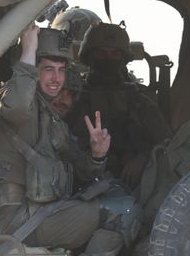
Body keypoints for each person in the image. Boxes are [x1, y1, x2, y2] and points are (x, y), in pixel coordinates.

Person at [0, 25, 136, 256]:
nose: (56, 79)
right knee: (122, 212)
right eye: (47, 69)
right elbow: (18, 104)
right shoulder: (9, 100)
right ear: (28, 69)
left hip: (39, 213)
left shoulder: (48, 115)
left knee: (119, 196)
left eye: (62, 71)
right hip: (17, 221)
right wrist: (27, 49)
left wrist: (97, 155)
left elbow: (80, 166)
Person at [73, 23, 171, 188]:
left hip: (134, 186)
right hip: (82, 182)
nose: (107, 59)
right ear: (89, 56)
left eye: (115, 53)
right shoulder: (73, 98)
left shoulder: (139, 100)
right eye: (100, 53)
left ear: (123, 59)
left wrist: (144, 157)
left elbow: (167, 143)